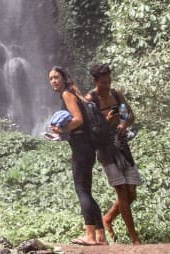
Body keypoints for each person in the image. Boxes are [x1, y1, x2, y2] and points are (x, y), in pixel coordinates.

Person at [48, 66, 108, 246]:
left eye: (56, 77)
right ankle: (101, 237)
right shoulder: (75, 92)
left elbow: (78, 120)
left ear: (65, 78)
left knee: (81, 189)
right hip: (87, 145)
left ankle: (89, 235)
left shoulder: (67, 94)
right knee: (86, 191)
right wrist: (62, 134)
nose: (53, 81)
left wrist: (62, 129)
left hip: (82, 147)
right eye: (50, 79)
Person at [86, 63, 142, 244]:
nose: (107, 86)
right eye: (103, 82)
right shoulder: (91, 100)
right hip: (105, 150)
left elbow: (129, 115)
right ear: (95, 81)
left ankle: (108, 218)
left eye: (109, 81)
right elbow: (91, 130)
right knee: (122, 193)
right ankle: (134, 237)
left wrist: (123, 125)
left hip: (122, 146)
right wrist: (106, 121)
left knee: (132, 193)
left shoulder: (116, 94)